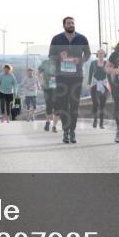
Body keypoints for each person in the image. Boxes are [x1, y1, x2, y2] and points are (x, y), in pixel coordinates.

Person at [49, 16, 91, 144]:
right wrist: (59, 57)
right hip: (61, 76)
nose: (71, 25)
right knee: (63, 105)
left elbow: (88, 54)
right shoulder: (56, 39)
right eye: (68, 23)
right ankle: (65, 130)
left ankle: (72, 131)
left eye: (72, 23)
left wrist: (81, 60)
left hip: (77, 76)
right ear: (64, 26)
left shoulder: (82, 38)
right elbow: (50, 56)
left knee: (74, 104)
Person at [87, 49, 110, 128]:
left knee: (102, 105)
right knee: (95, 104)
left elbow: (109, 75)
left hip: (104, 85)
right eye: (99, 53)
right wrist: (89, 84)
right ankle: (95, 120)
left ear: (104, 55)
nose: (100, 55)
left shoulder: (107, 64)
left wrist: (111, 85)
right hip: (95, 85)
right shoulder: (93, 63)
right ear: (97, 54)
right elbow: (90, 74)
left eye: (102, 53)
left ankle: (101, 123)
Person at [38, 56, 58, 132]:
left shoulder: (61, 63)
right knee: (49, 106)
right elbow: (39, 71)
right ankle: (47, 122)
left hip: (57, 87)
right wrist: (40, 81)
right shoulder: (45, 63)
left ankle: (54, 126)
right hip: (47, 86)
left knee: (57, 107)